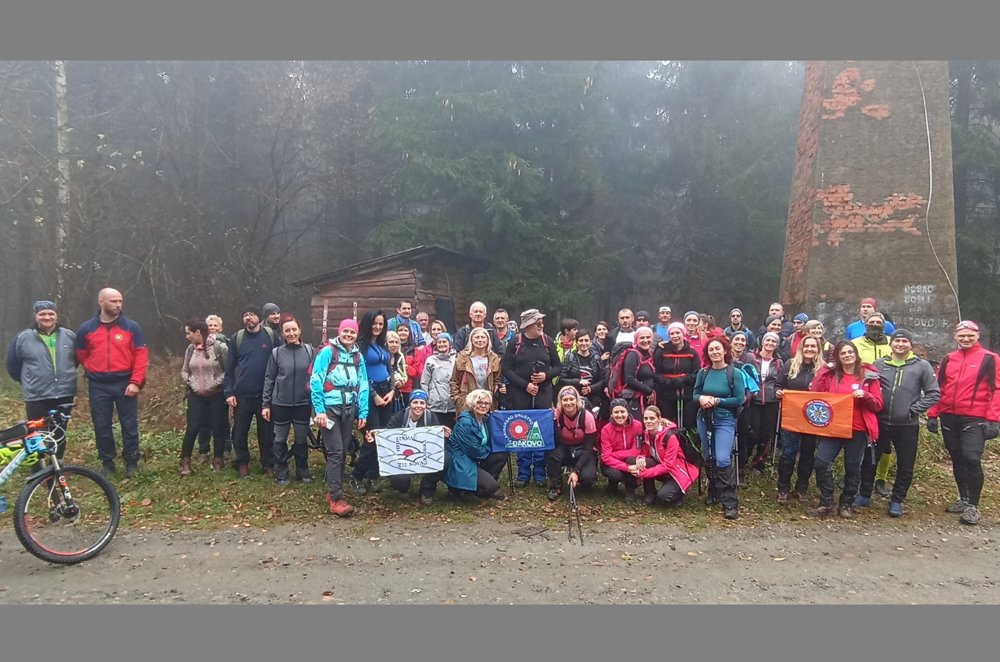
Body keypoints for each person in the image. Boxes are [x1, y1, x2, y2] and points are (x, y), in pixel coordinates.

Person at [854, 329, 940, 516]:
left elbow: (934, 393)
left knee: (905, 464)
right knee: (870, 460)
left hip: (907, 424)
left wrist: (913, 409)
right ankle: (864, 495)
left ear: (910, 344)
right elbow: (869, 387)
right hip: (880, 421)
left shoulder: (921, 366)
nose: (900, 344)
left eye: (904, 341)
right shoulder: (880, 363)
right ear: (891, 343)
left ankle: (897, 500)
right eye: (897, 341)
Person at [926, 320, 1000, 525]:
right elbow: (939, 388)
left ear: (977, 336)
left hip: (975, 417)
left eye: (970, 335)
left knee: (971, 458)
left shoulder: (990, 358)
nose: (966, 339)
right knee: (957, 458)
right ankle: (964, 498)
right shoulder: (949, 359)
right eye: (962, 336)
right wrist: (933, 414)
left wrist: (993, 420)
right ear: (955, 336)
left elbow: (997, 389)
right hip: (949, 416)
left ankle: (974, 506)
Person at [75, 287, 148, 479]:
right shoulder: (87, 328)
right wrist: (92, 368)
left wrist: (135, 382)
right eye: (113, 301)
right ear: (101, 302)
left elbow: (141, 355)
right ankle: (107, 461)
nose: (118, 305)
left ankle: (131, 461)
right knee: (101, 424)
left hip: (125, 382)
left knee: (129, 424)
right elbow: (81, 353)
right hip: (98, 384)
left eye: (120, 301)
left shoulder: (131, 327)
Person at [807, 340, 883, 519]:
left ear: (856, 353)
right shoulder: (832, 376)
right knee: (821, 463)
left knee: (853, 467)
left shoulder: (869, 376)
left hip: (857, 428)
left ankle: (846, 503)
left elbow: (878, 404)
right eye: (843, 353)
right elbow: (816, 392)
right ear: (838, 358)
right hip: (833, 428)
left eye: (850, 352)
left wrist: (866, 396)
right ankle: (826, 501)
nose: (848, 355)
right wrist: (826, 368)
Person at [6, 300, 78, 460]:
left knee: (59, 431)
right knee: (36, 432)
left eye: (51, 313)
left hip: (64, 393)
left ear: (56, 316)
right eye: (42, 314)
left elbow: (75, 361)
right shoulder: (23, 338)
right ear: (36, 316)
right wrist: (29, 381)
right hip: (37, 394)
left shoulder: (69, 336)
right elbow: (12, 366)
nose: (47, 317)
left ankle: (57, 464)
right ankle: (38, 465)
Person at [312, 318, 369, 517]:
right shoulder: (328, 352)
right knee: (336, 451)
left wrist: (363, 411)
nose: (348, 335)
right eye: (345, 331)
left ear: (356, 334)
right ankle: (336, 499)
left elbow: (363, 384)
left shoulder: (357, 357)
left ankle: (333, 491)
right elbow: (316, 379)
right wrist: (319, 410)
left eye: (352, 332)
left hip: (348, 408)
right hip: (329, 408)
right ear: (339, 331)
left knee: (343, 451)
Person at [501, 309, 561, 486]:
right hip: (521, 394)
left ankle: (540, 472)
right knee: (522, 430)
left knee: (541, 431)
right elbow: (506, 369)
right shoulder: (515, 343)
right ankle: (524, 472)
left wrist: (546, 376)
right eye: (537, 322)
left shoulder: (547, 341)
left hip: (543, 394)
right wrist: (524, 385)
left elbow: (559, 366)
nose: (541, 324)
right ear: (527, 325)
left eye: (541, 321)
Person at [693, 336, 750, 520]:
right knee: (709, 456)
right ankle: (714, 491)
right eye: (711, 350)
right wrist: (701, 399)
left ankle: (730, 502)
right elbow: (695, 393)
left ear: (725, 350)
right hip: (704, 419)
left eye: (718, 349)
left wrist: (718, 401)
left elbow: (739, 399)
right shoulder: (703, 372)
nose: (715, 352)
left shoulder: (735, 373)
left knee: (723, 458)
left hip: (725, 420)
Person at [224, 304, 279, 479]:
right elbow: (229, 368)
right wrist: (229, 392)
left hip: (265, 394)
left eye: (252, 314)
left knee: (267, 431)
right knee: (240, 430)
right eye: (246, 315)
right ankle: (242, 462)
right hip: (242, 395)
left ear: (259, 318)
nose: (249, 318)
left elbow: (280, 362)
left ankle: (268, 463)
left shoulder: (271, 336)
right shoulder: (237, 338)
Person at [261, 316, 315, 485]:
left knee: (301, 439)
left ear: (299, 330)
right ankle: (281, 472)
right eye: (287, 331)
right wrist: (265, 404)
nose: (291, 333)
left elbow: (316, 376)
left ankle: (302, 470)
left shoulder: (309, 351)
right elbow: (269, 378)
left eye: (294, 330)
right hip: (281, 403)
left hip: (302, 403)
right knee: (280, 439)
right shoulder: (276, 353)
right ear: (282, 334)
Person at [351, 309, 396, 494]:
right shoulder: (360, 346)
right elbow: (359, 375)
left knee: (383, 436)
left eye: (381, 324)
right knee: (372, 437)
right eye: (375, 323)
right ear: (368, 324)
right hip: (368, 395)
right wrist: (373, 395)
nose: (377, 327)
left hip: (387, 392)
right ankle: (357, 475)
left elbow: (389, 369)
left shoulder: (382, 344)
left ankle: (373, 474)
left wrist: (392, 390)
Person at [378, 389, 449, 506]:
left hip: (424, 454)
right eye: (415, 402)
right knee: (400, 481)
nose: (418, 406)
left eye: (422, 403)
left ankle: (427, 489)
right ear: (410, 403)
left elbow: (438, 444)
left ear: (426, 405)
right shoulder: (400, 416)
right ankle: (402, 488)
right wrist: (375, 435)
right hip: (403, 456)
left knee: (445, 458)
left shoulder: (431, 418)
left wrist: (443, 434)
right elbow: (387, 435)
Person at [774, 336, 823, 503]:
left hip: (814, 418)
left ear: (818, 349)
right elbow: (778, 385)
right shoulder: (790, 364)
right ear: (801, 347)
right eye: (807, 346)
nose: (809, 349)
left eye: (813, 346)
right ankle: (783, 488)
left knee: (808, 454)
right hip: (792, 416)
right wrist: (779, 393)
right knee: (788, 452)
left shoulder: (823, 369)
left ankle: (802, 487)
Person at [179, 319, 228, 475]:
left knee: (218, 427)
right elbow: (185, 370)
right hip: (195, 395)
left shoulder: (219, 348)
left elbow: (229, 371)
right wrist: (191, 383)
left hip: (217, 394)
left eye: (189, 333)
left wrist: (213, 384)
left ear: (198, 333)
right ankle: (185, 461)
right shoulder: (190, 349)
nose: (187, 336)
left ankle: (218, 459)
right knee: (192, 428)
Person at [444, 389, 508, 501]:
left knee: (501, 454)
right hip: (461, 460)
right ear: (472, 404)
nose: (483, 406)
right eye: (479, 403)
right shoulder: (465, 422)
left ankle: (480, 484)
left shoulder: (485, 420)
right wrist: (488, 449)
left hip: (476, 457)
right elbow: (474, 451)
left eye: (486, 403)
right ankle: (458, 490)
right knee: (494, 490)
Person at [635, 405, 700, 506]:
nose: (648, 421)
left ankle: (678, 494)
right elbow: (645, 452)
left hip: (679, 470)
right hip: (664, 468)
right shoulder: (647, 433)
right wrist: (640, 458)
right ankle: (650, 493)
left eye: (652, 418)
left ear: (659, 419)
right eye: (646, 418)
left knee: (663, 497)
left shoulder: (670, 437)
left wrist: (642, 474)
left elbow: (668, 465)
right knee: (645, 463)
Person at [546, 385, 599, 501]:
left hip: (584, 449)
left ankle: (581, 479)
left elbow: (588, 448)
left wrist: (576, 471)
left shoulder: (587, 417)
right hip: (566, 447)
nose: (568, 403)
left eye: (571, 399)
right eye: (565, 400)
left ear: (577, 400)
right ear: (560, 401)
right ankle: (556, 486)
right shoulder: (558, 414)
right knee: (552, 455)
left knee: (588, 477)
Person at [745, 331, 783, 476]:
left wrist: (778, 392)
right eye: (768, 341)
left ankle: (759, 462)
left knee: (766, 434)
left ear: (777, 345)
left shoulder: (779, 362)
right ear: (762, 342)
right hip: (754, 400)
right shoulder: (750, 357)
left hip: (771, 401)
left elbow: (781, 381)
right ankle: (744, 458)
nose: (770, 344)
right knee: (752, 432)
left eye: (773, 342)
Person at [652, 322, 700, 431]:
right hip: (666, 394)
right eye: (672, 333)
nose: (675, 336)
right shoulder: (662, 351)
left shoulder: (692, 352)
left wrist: (683, 379)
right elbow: (656, 372)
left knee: (687, 424)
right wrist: (668, 382)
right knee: (668, 423)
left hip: (686, 394)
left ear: (683, 334)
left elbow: (696, 373)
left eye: (677, 332)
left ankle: (687, 446)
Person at [599, 398, 644, 503]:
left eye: (622, 411)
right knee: (615, 474)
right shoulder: (606, 429)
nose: (620, 415)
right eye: (616, 412)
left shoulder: (638, 425)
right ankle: (612, 484)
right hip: (610, 463)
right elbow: (606, 457)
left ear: (628, 412)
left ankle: (630, 489)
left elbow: (636, 450)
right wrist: (627, 468)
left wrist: (614, 454)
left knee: (632, 459)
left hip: (627, 459)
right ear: (611, 414)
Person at [450, 327, 503, 413]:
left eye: (483, 337)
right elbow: (454, 381)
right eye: (477, 337)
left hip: (487, 403)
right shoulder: (462, 357)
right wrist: (457, 400)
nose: (480, 340)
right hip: (466, 402)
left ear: (487, 340)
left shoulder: (494, 358)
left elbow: (497, 380)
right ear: (471, 340)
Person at [558, 329, 605, 409]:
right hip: (574, 400)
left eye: (586, 340)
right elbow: (562, 380)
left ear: (590, 342)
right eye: (581, 340)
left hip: (594, 399)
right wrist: (578, 382)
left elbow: (603, 380)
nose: (584, 343)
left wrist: (590, 388)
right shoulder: (570, 358)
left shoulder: (597, 358)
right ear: (576, 342)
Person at [618, 326, 657, 420]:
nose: (645, 340)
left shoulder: (649, 354)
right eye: (642, 338)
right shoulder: (633, 354)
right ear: (636, 339)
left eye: (648, 337)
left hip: (644, 399)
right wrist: (649, 391)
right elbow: (629, 379)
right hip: (634, 399)